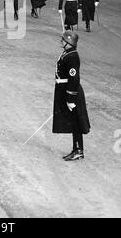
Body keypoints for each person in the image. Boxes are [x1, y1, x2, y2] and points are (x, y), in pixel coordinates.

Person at [52, 31, 90, 161]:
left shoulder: (73, 56)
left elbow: (74, 79)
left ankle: (78, 150)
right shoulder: (68, 53)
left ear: (69, 42)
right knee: (73, 122)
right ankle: (76, 149)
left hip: (72, 92)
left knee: (76, 122)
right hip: (65, 89)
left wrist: (71, 98)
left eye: (63, 39)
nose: (61, 41)